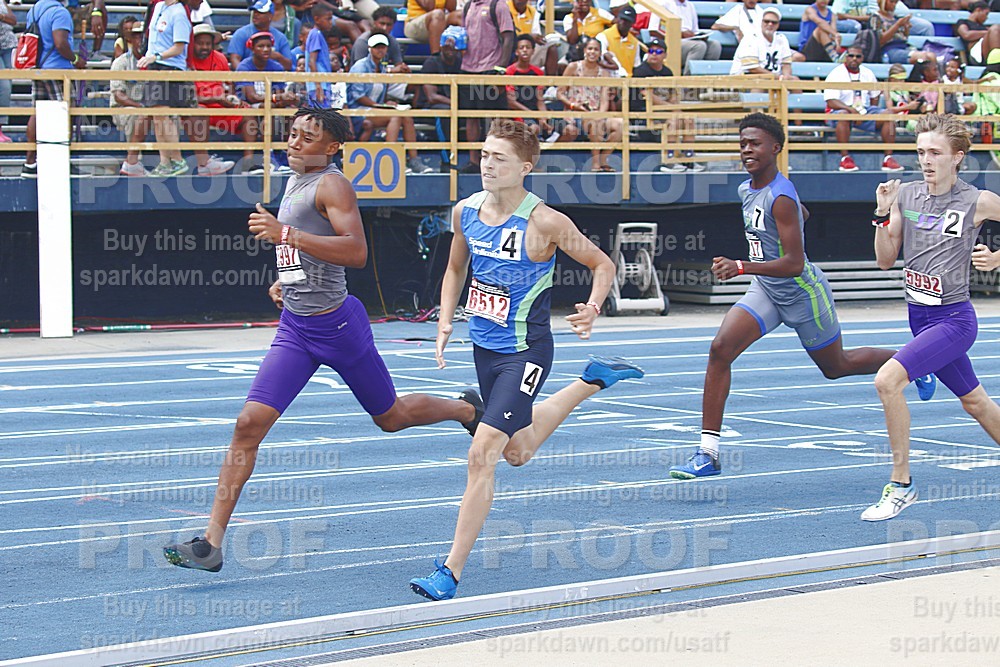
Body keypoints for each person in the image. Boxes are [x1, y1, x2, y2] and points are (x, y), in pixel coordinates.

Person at [163, 107, 485, 572]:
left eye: (307, 137)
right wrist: (286, 280)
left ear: (331, 148)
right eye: (292, 134)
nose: (294, 142)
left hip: (337, 327)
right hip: (296, 325)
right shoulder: (295, 177)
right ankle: (210, 543)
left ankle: (465, 409)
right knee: (247, 425)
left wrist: (284, 233)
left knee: (390, 417)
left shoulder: (332, 184)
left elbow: (355, 252)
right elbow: (305, 247)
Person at [408, 119, 644, 601]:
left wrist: (593, 307)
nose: (487, 164)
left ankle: (449, 571)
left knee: (484, 453)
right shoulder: (465, 212)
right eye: (484, 154)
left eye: (499, 158)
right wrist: (445, 320)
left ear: (525, 168)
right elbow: (456, 267)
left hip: (526, 352)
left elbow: (602, 264)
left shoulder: (545, 222)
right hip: (485, 350)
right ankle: (591, 381)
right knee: (519, 451)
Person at [669, 112, 935, 480]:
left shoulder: (780, 197)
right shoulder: (747, 189)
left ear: (775, 148)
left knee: (835, 366)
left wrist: (742, 266)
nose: (747, 149)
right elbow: (799, 215)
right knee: (720, 350)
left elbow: (794, 263)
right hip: (766, 289)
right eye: (742, 143)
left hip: (802, 293)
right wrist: (782, 232)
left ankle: (913, 362)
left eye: (755, 143)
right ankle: (708, 454)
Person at [864, 113, 1000, 521]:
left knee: (887, 381)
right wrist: (881, 214)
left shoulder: (979, 200)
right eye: (921, 152)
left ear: (957, 157)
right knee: (975, 403)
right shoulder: (905, 194)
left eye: (935, 153)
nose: (926, 160)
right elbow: (886, 260)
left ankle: (901, 484)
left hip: (954, 321)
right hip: (918, 317)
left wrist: (997, 258)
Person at [347, 34, 435, 174]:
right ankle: (392, 161)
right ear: (370, 49)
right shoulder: (360, 67)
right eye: (377, 48)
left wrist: (384, 104)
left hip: (373, 109)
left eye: (382, 47)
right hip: (359, 111)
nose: (380, 50)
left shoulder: (381, 68)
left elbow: (376, 94)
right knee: (395, 116)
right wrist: (379, 106)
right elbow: (359, 97)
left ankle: (414, 160)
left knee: (406, 117)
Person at [21, 0, 87, 178]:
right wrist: (75, 59)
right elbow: (60, 43)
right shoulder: (59, 12)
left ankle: (30, 162)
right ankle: (63, 162)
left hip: (39, 68)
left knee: (37, 113)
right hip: (58, 71)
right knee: (68, 113)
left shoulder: (34, 10)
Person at [824, 45, 904, 173]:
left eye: (858, 56)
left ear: (862, 58)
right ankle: (845, 158)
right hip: (839, 112)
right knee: (844, 115)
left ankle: (888, 158)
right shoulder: (836, 74)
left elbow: (875, 96)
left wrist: (869, 112)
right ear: (846, 57)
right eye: (851, 56)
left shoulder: (867, 73)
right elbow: (831, 102)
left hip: (863, 110)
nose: (854, 59)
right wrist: (851, 110)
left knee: (888, 114)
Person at [458, 0, 515, 173]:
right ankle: (474, 161)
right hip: (468, 68)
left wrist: (501, 69)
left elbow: (508, 36)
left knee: (495, 118)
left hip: (491, 68)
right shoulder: (468, 6)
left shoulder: (498, 5)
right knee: (471, 117)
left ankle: (500, 159)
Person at [237, 32, 300, 174]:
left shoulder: (276, 66)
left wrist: (285, 98)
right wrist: (276, 98)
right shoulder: (244, 66)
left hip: (269, 102)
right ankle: (268, 156)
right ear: (252, 49)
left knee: (291, 111)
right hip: (247, 105)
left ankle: (284, 154)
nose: (265, 49)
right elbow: (251, 96)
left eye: (268, 46)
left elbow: (279, 93)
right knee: (269, 107)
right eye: (260, 46)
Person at [556, 37, 622, 171]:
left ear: (600, 53)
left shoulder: (604, 74)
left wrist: (600, 114)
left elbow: (604, 100)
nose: (592, 52)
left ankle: (604, 159)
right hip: (575, 112)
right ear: (585, 50)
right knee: (595, 122)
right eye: (590, 48)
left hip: (595, 113)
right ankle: (596, 164)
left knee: (620, 124)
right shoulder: (573, 67)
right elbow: (560, 93)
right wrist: (573, 105)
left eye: (596, 49)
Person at [185, 23, 241, 176]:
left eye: (208, 43)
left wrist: (232, 97)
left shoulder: (220, 58)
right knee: (199, 112)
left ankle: (249, 164)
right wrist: (215, 98)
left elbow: (230, 84)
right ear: (192, 44)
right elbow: (187, 97)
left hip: (220, 104)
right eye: (200, 43)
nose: (204, 47)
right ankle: (205, 164)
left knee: (250, 113)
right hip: (196, 105)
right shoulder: (185, 60)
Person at [731, 7, 795, 80]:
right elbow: (752, 68)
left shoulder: (781, 38)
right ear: (761, 22)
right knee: (761, 83)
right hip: (744, 78)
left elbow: (786, 64)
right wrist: (776, 77)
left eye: (774, 22)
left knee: (795, 81)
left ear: (778, 25)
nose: (770, 24)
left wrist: (786, 77)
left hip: (772, 78)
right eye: (766, 21)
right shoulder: (751, 37)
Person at [659, 0, 722, 74]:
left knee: (715, 45)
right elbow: (653, 30)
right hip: (671, 42)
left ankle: (706, 79)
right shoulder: (664, 3)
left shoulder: (690, 5)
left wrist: (699, 36)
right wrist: (679, 34)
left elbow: (695, 30)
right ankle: (687, 80)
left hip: (689, 41)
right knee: (699, 46)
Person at [505, 34, 550, 137]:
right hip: (518, 113)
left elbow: (540, 100)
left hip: (534, 113)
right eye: (521, 48)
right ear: (516, 52)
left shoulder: (538, 72)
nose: (525, 50)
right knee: (533, 128)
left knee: (569, 130)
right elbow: (511, 102)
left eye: (528, 48)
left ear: (533, 51)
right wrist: (534, 115)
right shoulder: (510, 71)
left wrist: (544, 117)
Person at [229, 0, 294, 71]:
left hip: (272, 78)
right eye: (255, 11)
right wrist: (245, 76)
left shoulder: (280, 37)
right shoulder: (241, 33)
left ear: (270, 16)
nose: (256, 14)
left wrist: (278, 57)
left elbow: (288, 66)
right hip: (247, 77)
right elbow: (234, 60)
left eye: (260, 12)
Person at [872, 0, 934, 65]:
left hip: (903, 47)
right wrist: (897, 25)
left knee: (930, 55)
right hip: (889, 50)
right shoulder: (875, 18)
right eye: (891, 2)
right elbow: (879, 41)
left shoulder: (894, 17)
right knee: (926, 57)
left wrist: (906, 28)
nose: (894, 5)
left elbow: (904, 38)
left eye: (895, 2)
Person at [304, 3, 335, 107]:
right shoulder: (315, 34)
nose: (331, 22)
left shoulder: (318, 34)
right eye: (328, 19)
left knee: (323, 118)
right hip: (318, 86)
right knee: (320, 117)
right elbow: (312, 61)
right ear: (317, 19)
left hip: (323, 84)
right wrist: (318, 86)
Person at [596, 4, 639, 77]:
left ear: (632, 23)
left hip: (628, 81)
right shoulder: (603, 36)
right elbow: (599, 60)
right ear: (617, 18)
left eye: (627, 21)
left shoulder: (635, 42)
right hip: (609, 80)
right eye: (621, 19)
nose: (623, 23)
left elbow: (636, 65)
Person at [955, 1, 1000, 67]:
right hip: (975, 55)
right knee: (995, 29)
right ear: (978, 10)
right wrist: (987, 33)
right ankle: (997, 63)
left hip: (986, 51)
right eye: (986, 14)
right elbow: (966, 35)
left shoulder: (984, 27)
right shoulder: (963, 22)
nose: (986, 17)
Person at [0, 0, 16, 143]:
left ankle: (1, 128)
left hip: (7, 45)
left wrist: (1, 17)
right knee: (3, 87)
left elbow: (13, 20)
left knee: (8, 87)